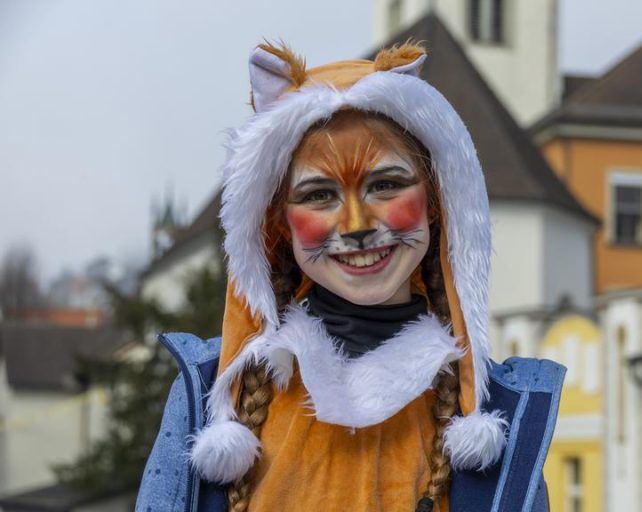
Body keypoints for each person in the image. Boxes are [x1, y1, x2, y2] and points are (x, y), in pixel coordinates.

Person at [136, 41, 565, 512]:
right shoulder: (210, 395)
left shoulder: (500, 417)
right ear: (278, 224)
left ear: (436, 200)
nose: (358, 226)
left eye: (386, 185)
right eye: (319, 195)